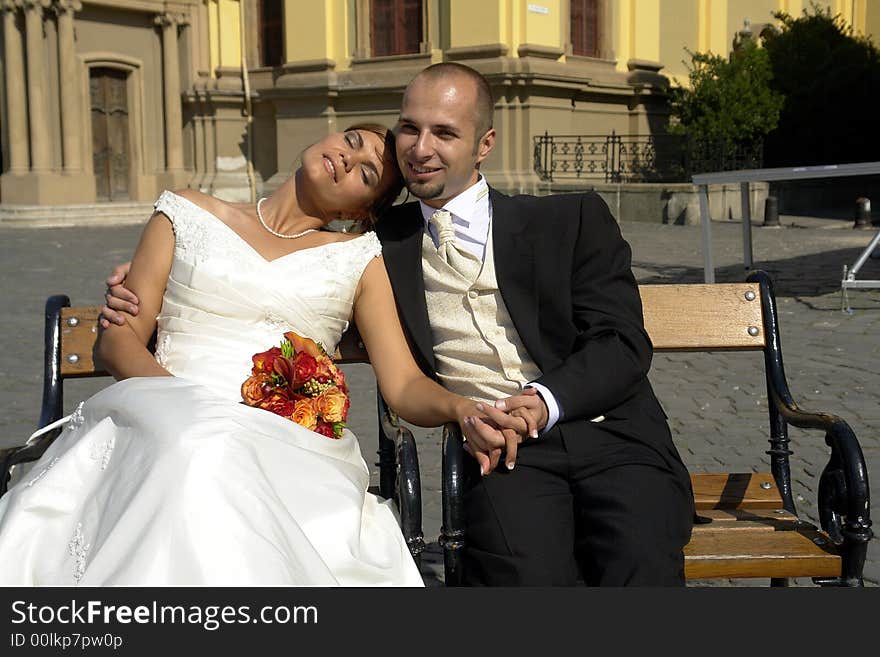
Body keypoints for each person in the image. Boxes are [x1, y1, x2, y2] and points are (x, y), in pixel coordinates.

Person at [105, 64, 696, 586]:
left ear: (484, 142)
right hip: (502, 453)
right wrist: (171, 271)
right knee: (524, 576)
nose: (420, 147)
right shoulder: (375, 246)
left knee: (638, 564)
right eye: (410, 128)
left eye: (445, 132)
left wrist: (543, 401)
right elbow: (284, 285)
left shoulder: (570, 218)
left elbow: (621, 344)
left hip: (610, 435)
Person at [0, 122, 531, 586]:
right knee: (198, 442)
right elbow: (117, 338)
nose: (348, 158)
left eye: (366, 173)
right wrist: (185, 405)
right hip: (158, 407)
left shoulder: (358, 258)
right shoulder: (186, 211)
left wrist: (461, 407)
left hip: (277, 440)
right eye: (350, 142)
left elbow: (402, 385)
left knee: (207, 449)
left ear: (360, 210)